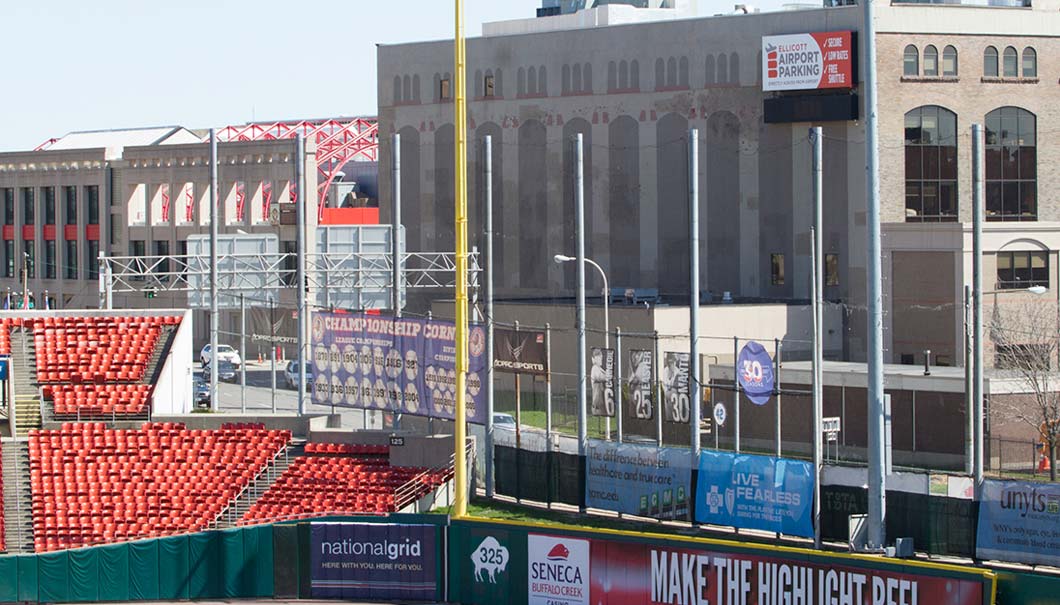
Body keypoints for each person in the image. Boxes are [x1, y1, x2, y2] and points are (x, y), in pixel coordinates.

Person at [627, 350, 652, 419]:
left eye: (638, 354)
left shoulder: (642, 366)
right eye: (634, 354)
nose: (635, 357)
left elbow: (633, 382)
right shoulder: (633, 368)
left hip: (641, 403)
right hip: (634, 401)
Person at [590, 348, 611, 416]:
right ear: (594, 359)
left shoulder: (599, 369)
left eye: (601, 358)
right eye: (599, 358)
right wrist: (609, 373)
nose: (601, 359)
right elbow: (602, 377)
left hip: (601, 402)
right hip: (598, 404)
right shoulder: (595, 368)